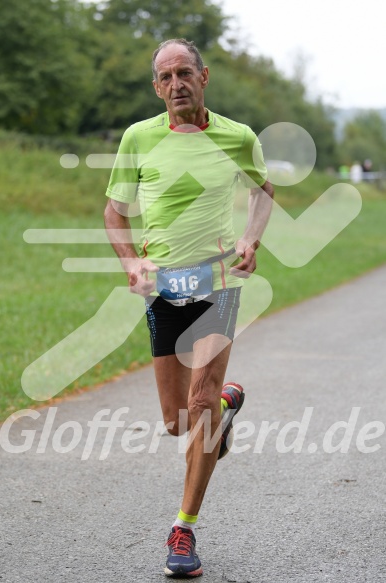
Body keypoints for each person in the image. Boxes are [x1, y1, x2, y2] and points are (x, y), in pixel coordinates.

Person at [104, 38, 274, 578]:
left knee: (198, 404)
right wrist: (131, 263)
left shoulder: (237, 136)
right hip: (163, 288)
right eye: (165, 77)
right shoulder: (138, 138)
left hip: (219, 283)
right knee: (179, 423)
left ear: (205, 77)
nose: (176, 84)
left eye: (185, 73)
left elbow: (263, 189)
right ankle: (226, 404)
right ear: (156, 88)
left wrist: (251, 239)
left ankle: (183, 529)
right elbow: (114, 211)